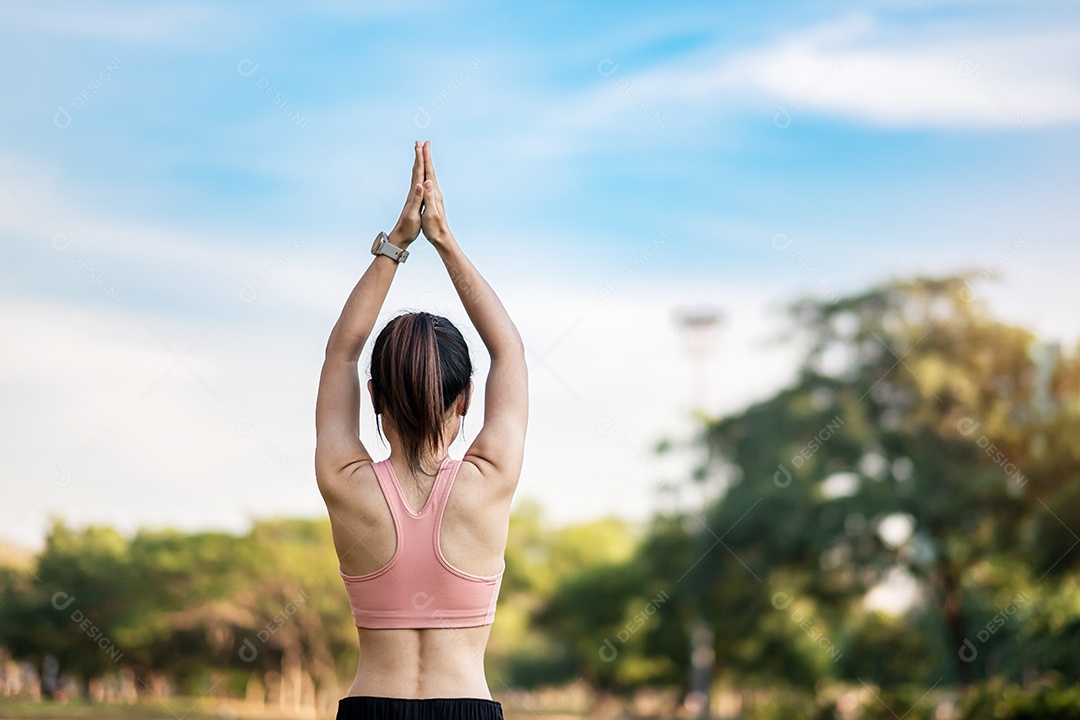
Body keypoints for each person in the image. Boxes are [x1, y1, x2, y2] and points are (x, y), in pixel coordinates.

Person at [314, 140, 528, 720]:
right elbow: (507, 351)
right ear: (466, 400)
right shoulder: (490, 480)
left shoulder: (344, 481)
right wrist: (445, 241)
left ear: (374, 398)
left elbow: (341, 352)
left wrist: (396, 245)